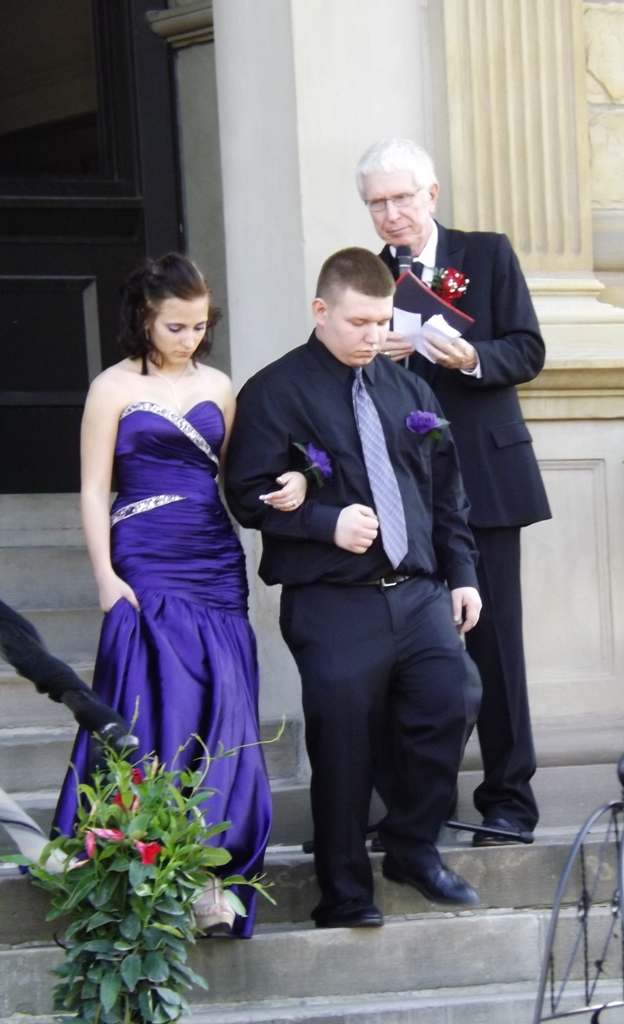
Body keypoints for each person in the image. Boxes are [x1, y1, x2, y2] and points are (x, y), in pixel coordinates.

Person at [225, 247, 482, 928]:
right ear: (321, 310)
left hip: (419, 592)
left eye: (382, 321)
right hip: (332, 600)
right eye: (359, 322)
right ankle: (343, 894)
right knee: (342, 742)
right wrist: (323, 522)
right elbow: (245, 493)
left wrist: (462, 575)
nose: (373, 336)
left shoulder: (409, 390)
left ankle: (411, 845)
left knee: (455, 698)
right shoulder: (274, 391)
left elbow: (446, 491)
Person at [52, 253, 306, 936]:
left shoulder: (220, 386)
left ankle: (211, 878)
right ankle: (129, 855)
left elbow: (239, 477)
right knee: (154, 699)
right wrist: (105, 576)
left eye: (199, 326)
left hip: (213, 557)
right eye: (175, 326)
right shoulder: (110, 387)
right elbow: (92, 489)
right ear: (144, 317)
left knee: (224, 706)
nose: (190, 338)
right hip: (143, 553)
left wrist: (294, 482)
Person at [357, 138, 552, 846]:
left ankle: (509, 802)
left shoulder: (486, 254)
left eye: (401, 198)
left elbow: (528, 348)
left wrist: (471, 356)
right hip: (406, 493)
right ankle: (415, 809)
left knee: (495, 647)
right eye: (377, 203)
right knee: (406, 655)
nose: (391, 214)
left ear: (431, 195)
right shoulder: (368, 279)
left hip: (487, 481)